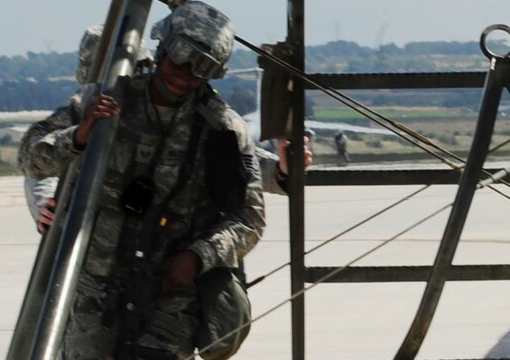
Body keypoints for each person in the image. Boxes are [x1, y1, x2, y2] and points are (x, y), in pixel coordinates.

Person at [19, 1, 265, 360]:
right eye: (181, 61)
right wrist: (82, 135)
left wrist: (198, 256)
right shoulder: (108, 102)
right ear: (161, 50)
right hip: (98, 281)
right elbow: (32, 154)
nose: (186, 76)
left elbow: (249, 218)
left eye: (203, 69)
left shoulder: (221, 129)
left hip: (169, 295)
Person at [28, 25, 304, 234]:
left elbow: (235, 161)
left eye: (138, 73)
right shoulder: (85, 112)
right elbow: (41, 164)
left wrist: (280, 170)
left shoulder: (183, 114)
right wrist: (46, 204)